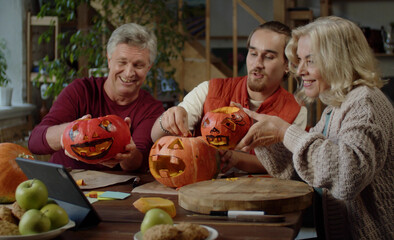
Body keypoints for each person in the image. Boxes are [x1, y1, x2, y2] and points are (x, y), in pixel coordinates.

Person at [236, 16, 393, 239]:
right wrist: (268, 140)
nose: (299, 70)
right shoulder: (335, 108)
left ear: (339, 60)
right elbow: (300, 171)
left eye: (310, 61)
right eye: (299, 60)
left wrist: (285, 131)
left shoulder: (364, 102)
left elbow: (348, 175)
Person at [151, 21, 307, 173]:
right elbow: (156, 137)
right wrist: (166, 121)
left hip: (263, 193)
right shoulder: (208, 90)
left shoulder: (296, 110)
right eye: (253, 53)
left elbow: (287, 165)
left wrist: (238, 159)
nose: (257, 63)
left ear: (288, 65)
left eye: (268, 57)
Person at [29, 23, 165, 172]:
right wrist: (73, 132)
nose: (128, 73)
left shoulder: (152, 109)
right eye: (122, 62)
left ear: (148, 67)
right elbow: (35, 141)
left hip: (118, 192)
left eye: (138, 65)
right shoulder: (80, 91)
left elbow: (139, 162)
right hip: (66, 183)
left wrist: (127, 154)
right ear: (109, 60)